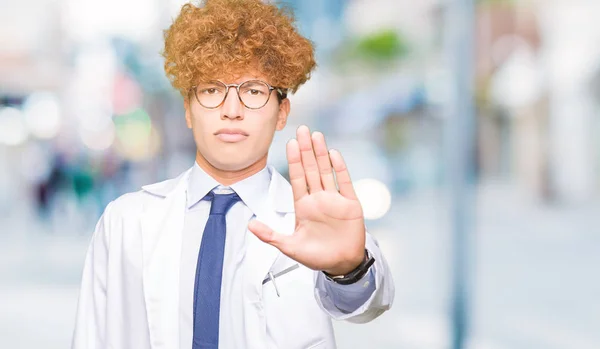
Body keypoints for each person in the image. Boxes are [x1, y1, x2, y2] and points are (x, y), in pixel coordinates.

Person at [71, 0, 395, 348]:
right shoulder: (126, 221)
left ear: (282, 111)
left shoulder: (313, 217)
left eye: (253, 92)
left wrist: (348, 269)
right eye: (212, 90)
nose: (231, 110)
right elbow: (92, 336)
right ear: (188, 110)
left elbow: (368, 303)